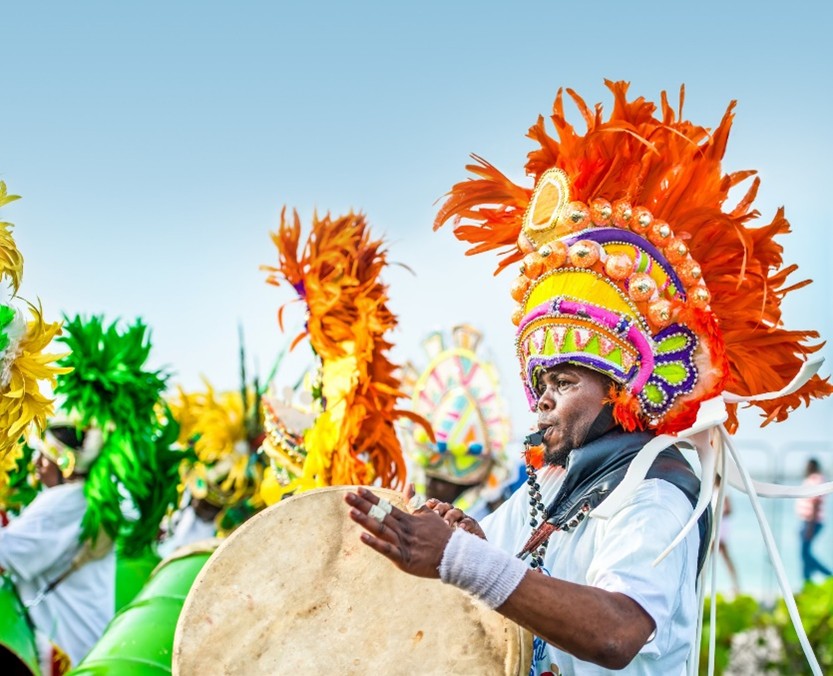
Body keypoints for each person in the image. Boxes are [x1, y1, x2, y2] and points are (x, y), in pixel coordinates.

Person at [346, 81, 831, 674]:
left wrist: (461, 558)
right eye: (541, 382)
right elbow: (492, 564)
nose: (543, 401)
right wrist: (465, 537)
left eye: (566, 383)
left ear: (622, 393)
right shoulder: (552, 487)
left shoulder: (652, 491)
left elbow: (617, 632)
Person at [0, 424, 114, 673]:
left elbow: (3, 556)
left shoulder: (67, 501)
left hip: (64, 648)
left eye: (47, 456)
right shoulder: (85, 498)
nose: (38, 462)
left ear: (67, 464)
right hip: (81, 643)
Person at [796, 458, 832, 584]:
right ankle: (807, 582)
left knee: (805, 553)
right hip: (806, 521)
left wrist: (810, 526)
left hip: (812, 522)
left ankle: (829, 575)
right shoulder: (810, 479)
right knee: (804, 554)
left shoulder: (817, 479)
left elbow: (816, 502)